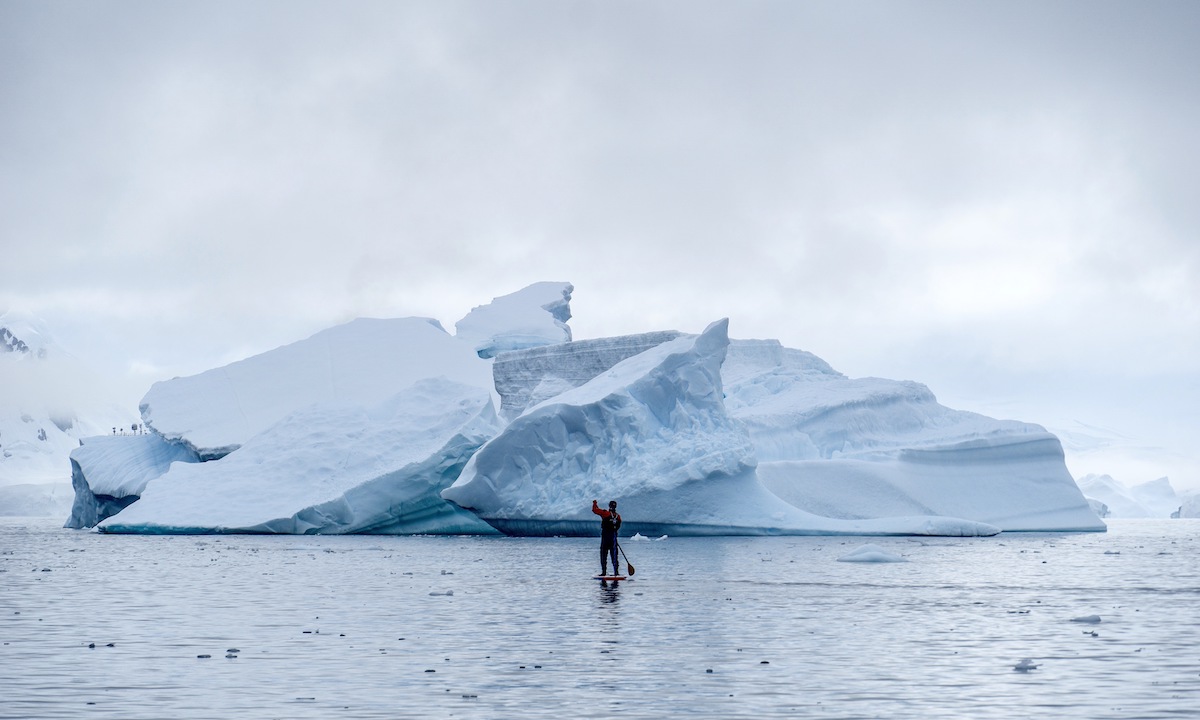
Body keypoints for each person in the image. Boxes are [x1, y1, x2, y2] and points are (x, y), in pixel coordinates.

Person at [592, 499, 622, 576]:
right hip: (614, 539)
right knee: (614, 555)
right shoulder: (618, 516)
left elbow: (595, 510)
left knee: (603, 554)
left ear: (609, 506)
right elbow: (618, 526)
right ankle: (616, 572)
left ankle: (604, 572)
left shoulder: (606, 513)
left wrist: (594, 503)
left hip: (605, 538)